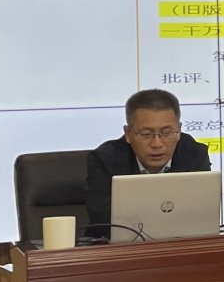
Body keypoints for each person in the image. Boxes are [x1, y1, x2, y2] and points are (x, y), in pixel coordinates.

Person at [85, 88, 212, 240]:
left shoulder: (194, 154)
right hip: (120, 248)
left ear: (178, 131)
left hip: (181, 245)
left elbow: (204, 213)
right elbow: (102, 220)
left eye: (166, 133)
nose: (157, 144)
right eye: (146, 134)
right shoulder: (105, 159)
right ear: (128, 134)